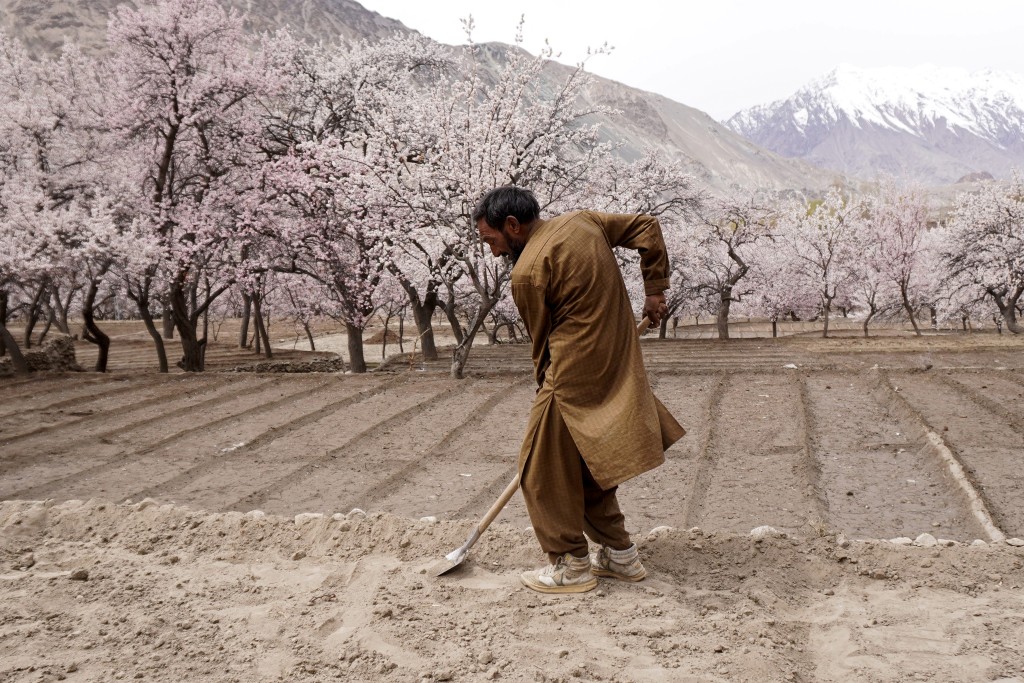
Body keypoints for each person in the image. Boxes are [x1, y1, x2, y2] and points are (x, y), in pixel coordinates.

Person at [473, 185, 685, 594]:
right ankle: (620, 555)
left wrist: (546, 394)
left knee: (539, 470)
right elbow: (647, 226)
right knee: (591, 467)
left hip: (570, 374)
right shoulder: (584, 221)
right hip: (617, 363)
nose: (494, 252)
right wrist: (654, 290)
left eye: (492, 240)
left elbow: (542, 344)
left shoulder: (528, 272)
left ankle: (569, 564)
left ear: (512, 226)